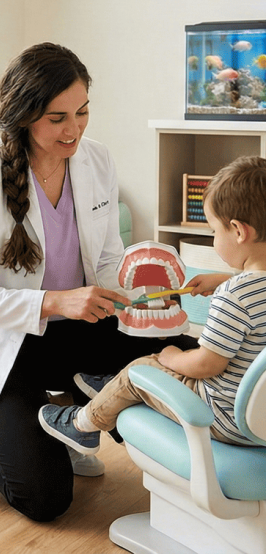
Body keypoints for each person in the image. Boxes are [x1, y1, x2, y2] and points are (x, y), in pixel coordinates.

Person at [0, 42, 196, 523]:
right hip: (5, 347)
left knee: (181, 351)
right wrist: (53, 302)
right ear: (25, 116)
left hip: (77, 329)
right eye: (57, 118)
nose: (74, 130)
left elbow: (108, 256)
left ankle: (88, 403)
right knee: (46, 498)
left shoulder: (97, 161)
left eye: (83, 112)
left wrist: (139, 300)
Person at [40, 155, 266, 452]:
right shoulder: (242, 291)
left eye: (214, 231)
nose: (213, 240)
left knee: (141, 368)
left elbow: (206, 364)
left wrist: (170, 357)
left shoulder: (234, 298)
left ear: (238, 231)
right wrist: (225, 279)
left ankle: (82, 423)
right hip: (261, 419)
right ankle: (110, 389)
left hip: (225, 419)